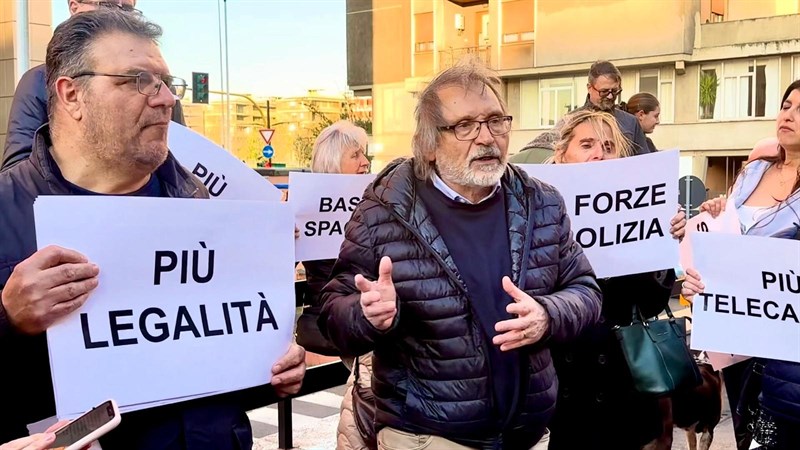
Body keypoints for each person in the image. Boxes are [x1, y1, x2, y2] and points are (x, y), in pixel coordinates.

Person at [0, 10, 305, 447]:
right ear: (71, 95)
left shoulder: (201, 204)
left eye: (166, 82)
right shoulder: (7, 209)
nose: (165, 99)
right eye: (138, 80)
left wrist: (271, 365)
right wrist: (7, 317)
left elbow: (210, 347)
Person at [319, 58, 602, 450]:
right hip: (427, 435)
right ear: (430, 144)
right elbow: (332, 313)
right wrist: (368, 316)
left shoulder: (542, 202)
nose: (486, 137)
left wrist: (547, 315)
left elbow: (585, 290)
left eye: (496, 121)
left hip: (527, 434)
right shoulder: (384, 209)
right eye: (465, 126)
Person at [542, 109, 686, 450]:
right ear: (562, 155)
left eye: (608, 146)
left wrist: (663, 244)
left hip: (621, 382)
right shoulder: (535, 210)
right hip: (560, 384)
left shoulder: (638, 208)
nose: (599, 154)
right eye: (587, 144)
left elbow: (651, 302)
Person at [682, 79, 800, 450]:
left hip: (783, 345)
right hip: (735, 332)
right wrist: (715, 214)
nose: (789, 116)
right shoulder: (752, 172)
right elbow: (728, 235)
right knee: (745, 434)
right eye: (786, 105)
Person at [1, 0, 186, 172]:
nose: (120, 14)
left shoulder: (164, 87)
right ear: (75, 7)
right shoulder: (38, 80)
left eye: (128, 9)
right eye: (107, 4)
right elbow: (19, 172)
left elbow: (183, 160)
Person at [292, 121, 375, 450]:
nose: (365, 162)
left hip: (369, 314)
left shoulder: (375, 202)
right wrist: (285, 238)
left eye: (365, 154)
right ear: (331, 162)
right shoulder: (306, 208)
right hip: (339, 317)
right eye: (356, 155)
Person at [573, 60, 650, 155]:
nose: (610, 96)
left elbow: (644, 162)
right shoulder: (571, 121)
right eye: (604, 91)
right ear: (589, 88)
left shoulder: (631, 123)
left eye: (614, 91)